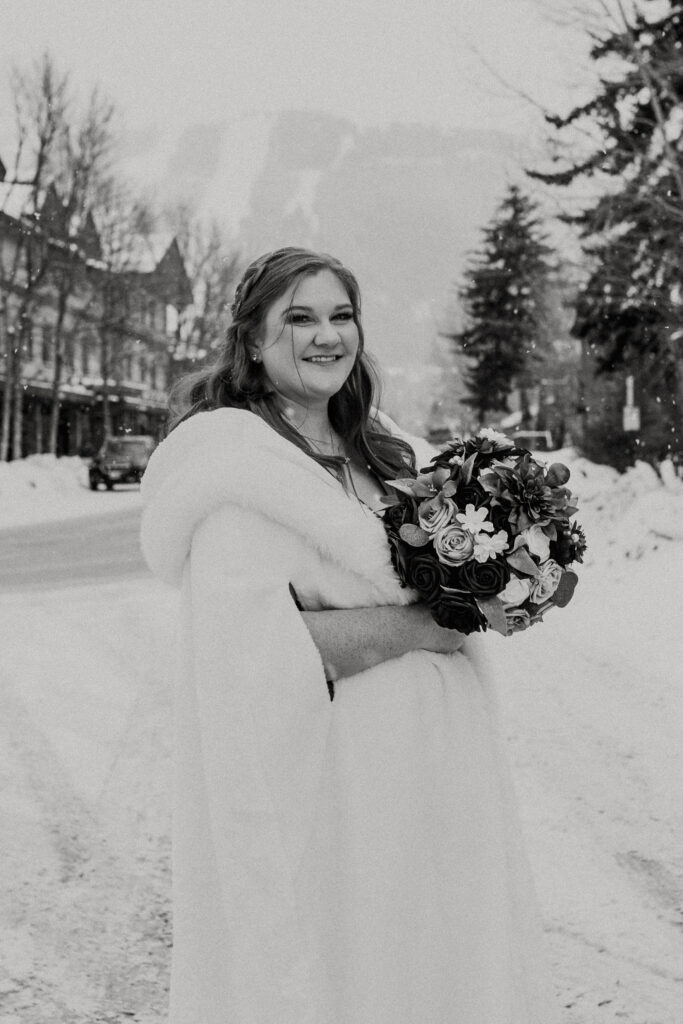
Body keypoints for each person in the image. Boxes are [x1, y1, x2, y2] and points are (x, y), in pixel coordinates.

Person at [140, 247, 557, 1024]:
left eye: (340, 315)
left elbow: (447, 583)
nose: (325, 335)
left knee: (439, 982)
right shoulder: (238, 473)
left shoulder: (388, 454)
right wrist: (424, 625)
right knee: (352, 987)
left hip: (436, 797)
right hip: (341, 810)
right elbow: (256, 658)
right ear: (254, 342)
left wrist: (507, 581)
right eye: (297, 318)